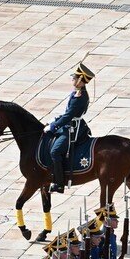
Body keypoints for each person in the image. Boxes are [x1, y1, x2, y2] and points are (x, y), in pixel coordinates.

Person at [45, 62, 94, 193]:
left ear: (80, 80)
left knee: (55, 151)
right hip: (69, 124)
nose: (72, 79)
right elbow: (67, 113)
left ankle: (59, 183)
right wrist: (55, 119)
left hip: (72, 129)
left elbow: (69, 116)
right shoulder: (78, 93)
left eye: (75, 77)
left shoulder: (80, 97)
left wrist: (54, 125)